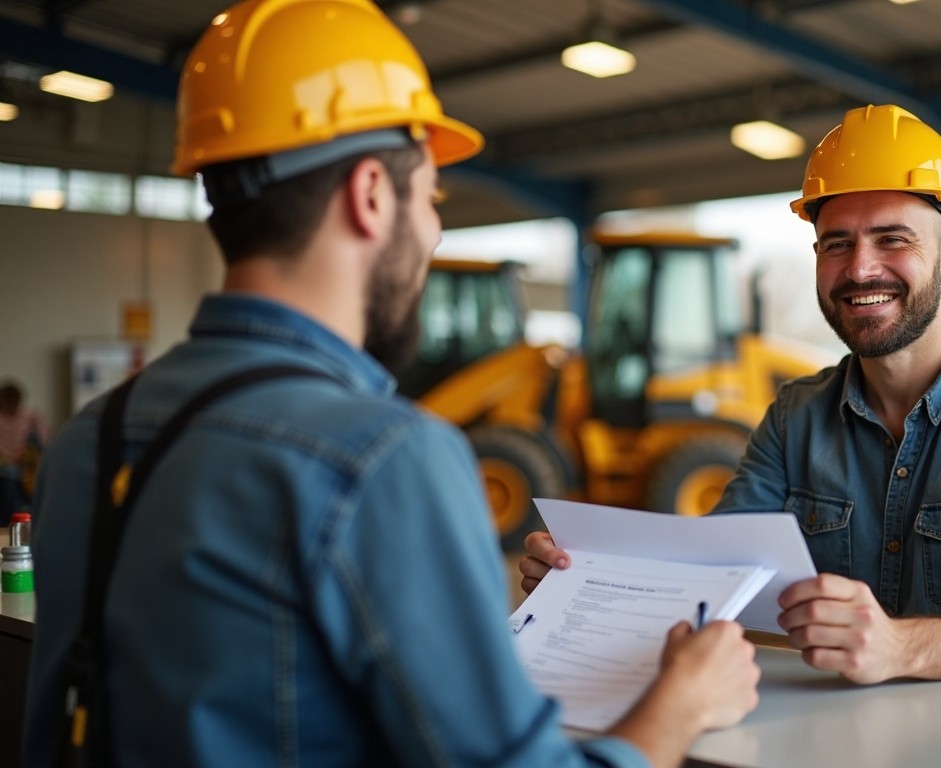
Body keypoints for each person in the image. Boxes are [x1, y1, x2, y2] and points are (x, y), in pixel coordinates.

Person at [23, 2, 758, 767]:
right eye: (432, 197)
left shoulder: (89, 439)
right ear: (372, 193)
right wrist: (678, 706)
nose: (434, 232)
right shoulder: (381, 459)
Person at [521, 104, 941, 686]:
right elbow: (717, 570)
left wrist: (898, 646)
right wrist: (589, 580)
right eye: (836, 244)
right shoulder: (794, 416)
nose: (860, 269)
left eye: (892, 239)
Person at [0, 379, 48, 520]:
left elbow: (46, 443)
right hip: (6, 471)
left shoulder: (32, 418)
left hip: (29, 469)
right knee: (7, 479)